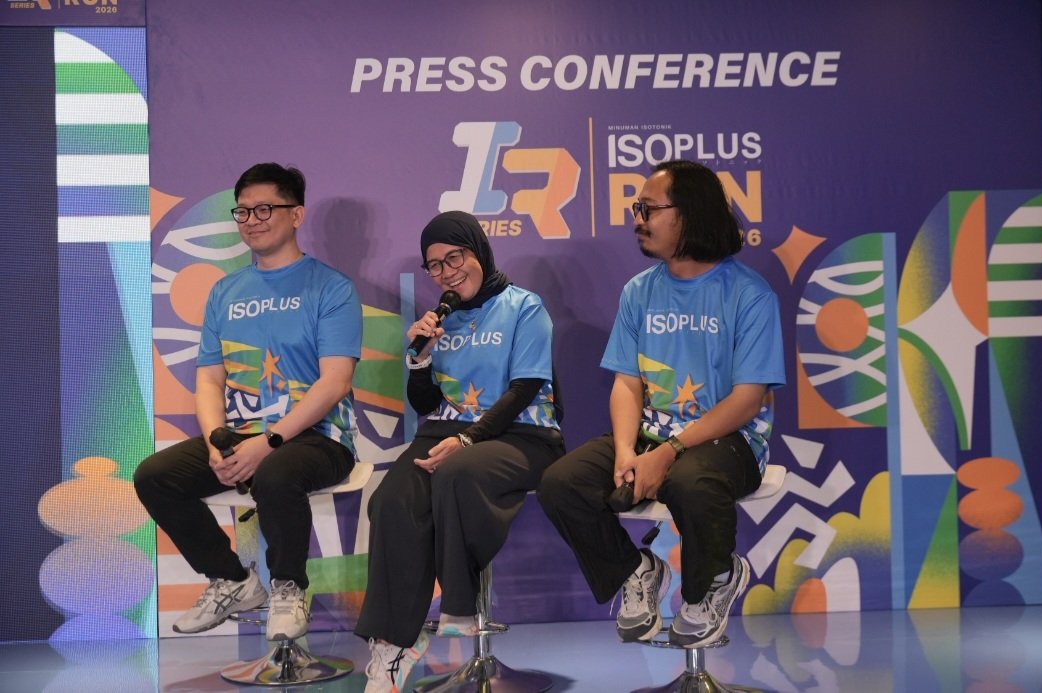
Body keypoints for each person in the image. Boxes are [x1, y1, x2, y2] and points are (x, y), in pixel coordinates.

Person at [537, 159, 785, 648]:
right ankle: (635, 570)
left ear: (688, 215)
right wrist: (626, 452)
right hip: (652, 433)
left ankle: (714, 581)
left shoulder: (750, 296)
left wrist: (668, 452)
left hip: (730, 439)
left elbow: (747, 401)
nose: (638, 220)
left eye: (648, 209)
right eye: (637, 209)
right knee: (562, 484)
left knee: (689, 483)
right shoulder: (639, 291)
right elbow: (627, 383)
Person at [134, 163, 362, 642]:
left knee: (275, 471)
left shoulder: (331, 287)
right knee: (155, 476)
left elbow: (335, 383)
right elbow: (209, 379)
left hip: (319, 437)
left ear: (296, 214)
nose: (252, 220)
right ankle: (233, 580)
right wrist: (216, 444)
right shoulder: (225, 291)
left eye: (265, 209)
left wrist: (269, 442)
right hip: (244, 433)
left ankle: (288, 587)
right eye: (243, 211)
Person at [355, 211, 565, 693]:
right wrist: (420, 358)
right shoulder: (441, 320)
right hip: (445, 431)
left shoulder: (523, 306)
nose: (446, 272)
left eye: (455, 258)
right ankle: (395, 643)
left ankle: (460, 604)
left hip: (522, 434)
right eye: (435, 265)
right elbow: (425, 404)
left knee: (457, 473)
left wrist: (469, 439)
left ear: (479, 251)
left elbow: (525, 388)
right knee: (390, 501)